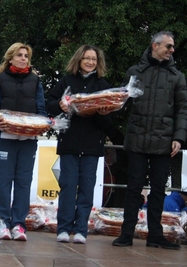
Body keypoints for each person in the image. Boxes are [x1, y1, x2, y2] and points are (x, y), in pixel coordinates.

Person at [112, 31, 187, 250]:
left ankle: (155, 235)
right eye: (168, 46)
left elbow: (183, 109)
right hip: (137, 138)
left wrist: (179, 138)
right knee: (133, 188)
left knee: (158, 190)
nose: (172, 50)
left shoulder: (177, 76)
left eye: (172, 47)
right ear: (155, 46)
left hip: (164, 142)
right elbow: (121, 101)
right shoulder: (134, 72)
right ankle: (126, 234)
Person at [47, 44, 114, 244]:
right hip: (69, 143)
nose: (90, 62)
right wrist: (59, 105)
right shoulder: (66, 81)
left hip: (93, 146)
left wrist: (103, 114)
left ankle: (81, 231)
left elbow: (109, 123)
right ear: (79, 60)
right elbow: (49, 104)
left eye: (94, 59)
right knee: (67, 186)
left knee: (87, 188)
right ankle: (63, 229)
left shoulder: (103, 85)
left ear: (98, 62)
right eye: (86, 58)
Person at [0, 43, 48, 241]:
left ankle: (19, 225)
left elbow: (41, 110)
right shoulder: (0, 79)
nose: (24, 58)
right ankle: (3, 223)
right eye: (19, 55)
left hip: (28, 140)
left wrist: (43, 124)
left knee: (23, 182)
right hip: (5, 139)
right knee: (3, 182)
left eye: (26, 56)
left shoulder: (35, 80)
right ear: (10, 58)